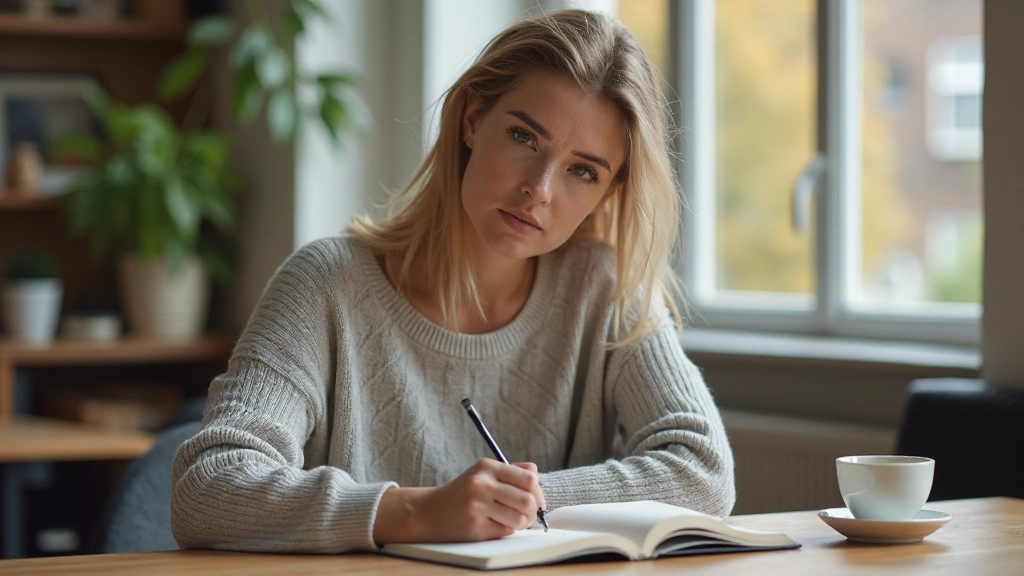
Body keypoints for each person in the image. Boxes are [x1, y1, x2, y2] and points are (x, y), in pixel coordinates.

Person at [171, 8, 735, 553]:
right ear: (471, 119)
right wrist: (414, 512)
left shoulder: (605, 291)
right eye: (523, 138)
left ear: (607, 192)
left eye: (581, 171)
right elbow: (206, 488)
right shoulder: (326, 284)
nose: (539, 189)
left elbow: (704, 472)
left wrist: (510, 505)